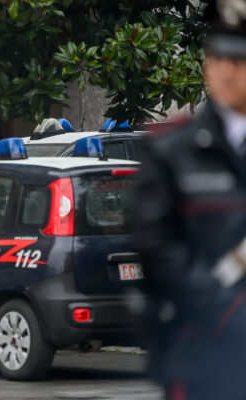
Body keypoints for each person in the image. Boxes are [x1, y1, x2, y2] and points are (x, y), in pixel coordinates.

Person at [134, 1, 246, 398]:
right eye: (218, 57)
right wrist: (230, 312)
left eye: (239, 59)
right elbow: (157, 250)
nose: (227, 69)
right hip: (202, 359)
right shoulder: (170, 152)